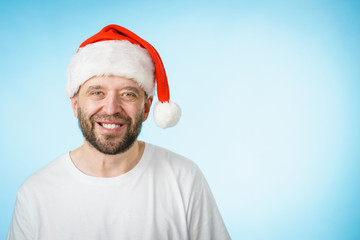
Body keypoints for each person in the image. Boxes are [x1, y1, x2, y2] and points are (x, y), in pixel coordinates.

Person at [7, 24, 231, 240]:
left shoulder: (184, 179)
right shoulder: (35, 193)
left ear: (145, 108)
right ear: (75, 105)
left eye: (128, 94)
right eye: (97, 92)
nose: (111, 108)